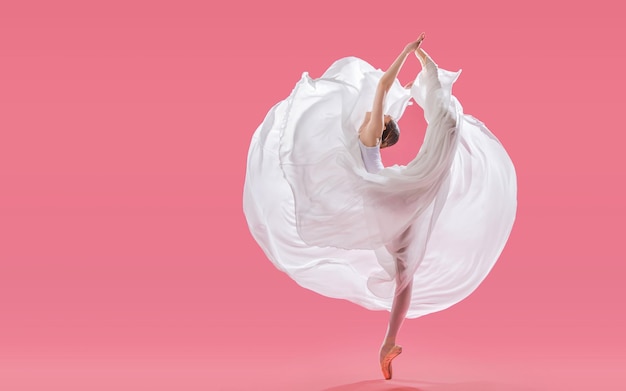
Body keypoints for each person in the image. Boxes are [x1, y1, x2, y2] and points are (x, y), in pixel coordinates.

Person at [243, 34, 517, 380]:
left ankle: (389, 343)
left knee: (406, 273)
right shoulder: (369, 136)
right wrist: (414, 62)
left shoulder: (370, 132)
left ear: (384, 127)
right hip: (388, 205)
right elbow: (387, 89)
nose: (379, 111)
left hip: (386, 206)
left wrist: (407, 52)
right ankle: (388, 341)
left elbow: (384, 85)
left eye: (383, 115)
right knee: (407, 269)